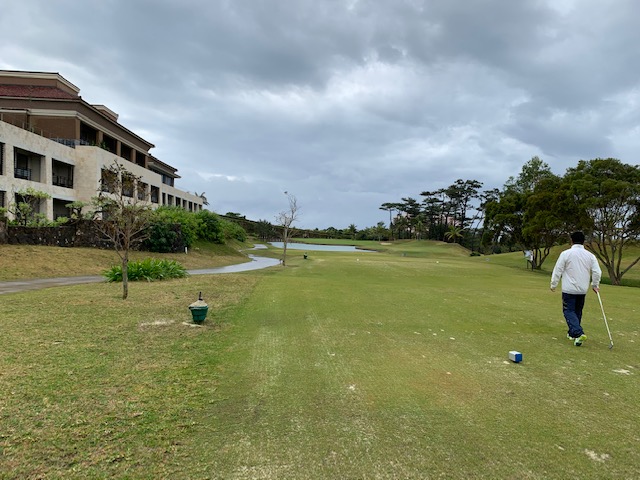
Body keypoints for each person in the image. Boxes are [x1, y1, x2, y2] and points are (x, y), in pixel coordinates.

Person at [550, 231, 602, 346]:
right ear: (583, 241)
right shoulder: (590, 256)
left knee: (568, 311)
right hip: (582, 289)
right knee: (577, 311)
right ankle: (572, 333)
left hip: (569, 289)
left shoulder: (566, 254)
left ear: (571, 240)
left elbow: (558, 270)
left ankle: (578, 333)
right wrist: (595, 285)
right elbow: (597, 272)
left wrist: (553, 284)